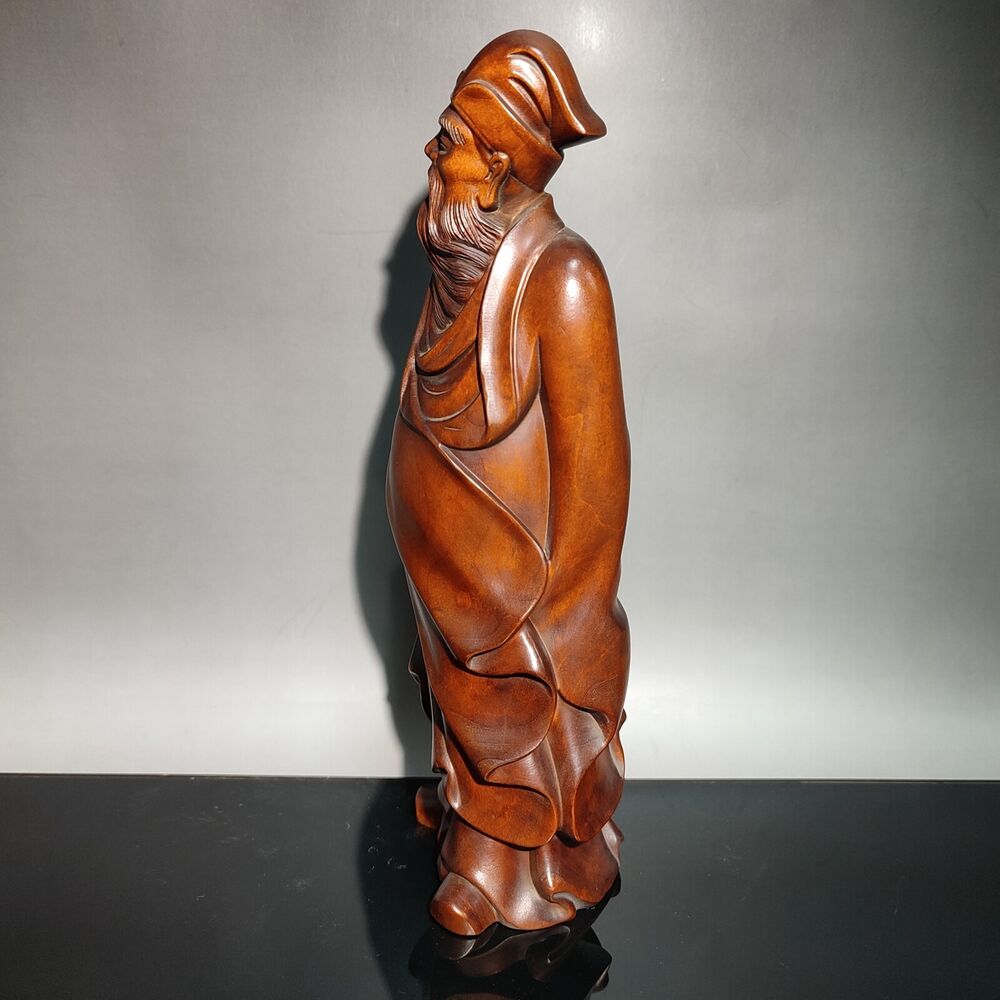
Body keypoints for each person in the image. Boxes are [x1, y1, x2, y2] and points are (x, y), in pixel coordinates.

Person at [386, 29, 630, 936]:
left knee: (510, 703)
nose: (431, 150)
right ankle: (467, 801)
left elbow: (598, 490)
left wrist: (563, 629)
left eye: (450, 139)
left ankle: (499, 862)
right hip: (451, 576)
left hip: (521, 602)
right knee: (457, 690)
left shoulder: (565, 279)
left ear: (495, 163)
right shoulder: (462, 255)